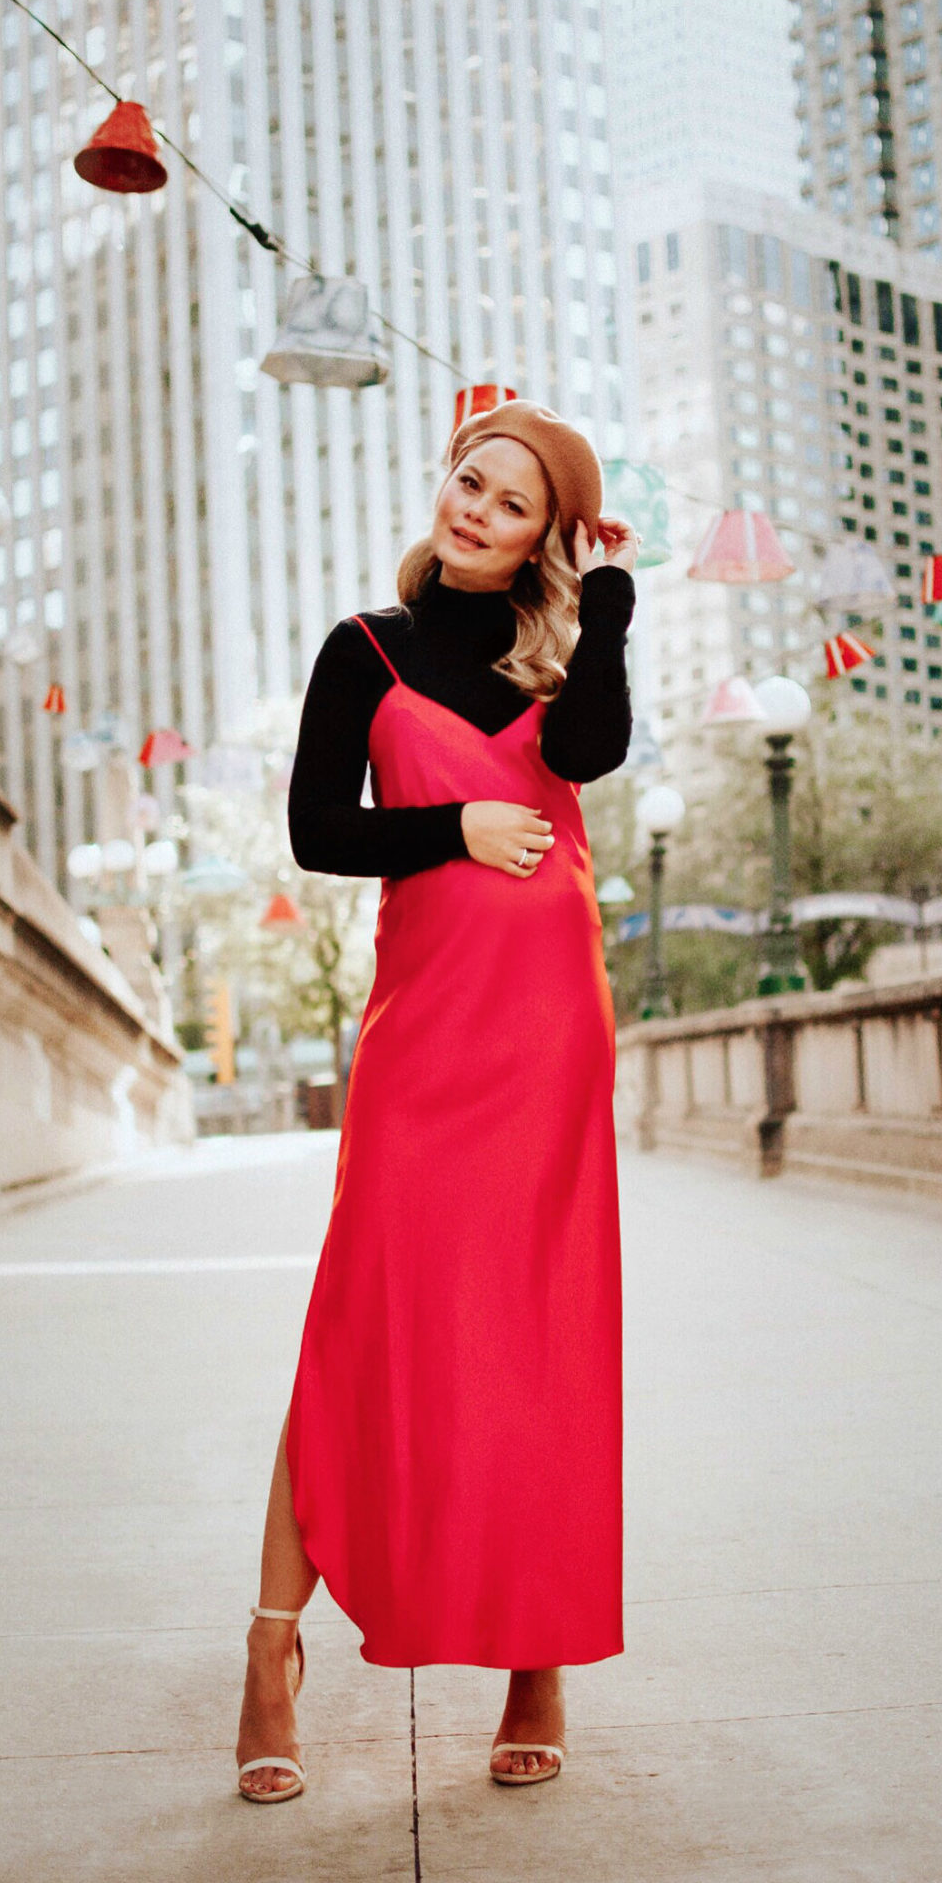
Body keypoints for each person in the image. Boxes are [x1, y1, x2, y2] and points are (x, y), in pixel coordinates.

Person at [234, 400, 638, 1803]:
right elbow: (315, 830)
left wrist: (613, 613)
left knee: (542, 1336)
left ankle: (540, 1660)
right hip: (426, 1034)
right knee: (360, 1319)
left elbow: (587, 759)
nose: (476, 508)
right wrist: (453, 829)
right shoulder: (363, 650)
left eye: (513, 501)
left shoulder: (564, 656)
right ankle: (271, 1646)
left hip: (548, 1037)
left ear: (548, 535)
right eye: (470, 481)